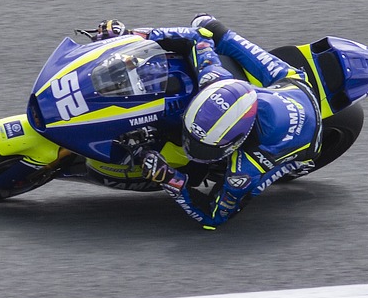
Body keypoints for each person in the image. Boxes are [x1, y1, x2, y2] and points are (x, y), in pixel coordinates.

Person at [97, 15, 323, 229]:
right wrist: (131, 35)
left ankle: (297, 164)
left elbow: (213, 217)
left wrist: (169, 178)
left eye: (201, 146)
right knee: (207, 23)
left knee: (268, 176)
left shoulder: (246, 168)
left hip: (305, 130)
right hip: (289, 86)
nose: (190, 147)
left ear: (236, 143)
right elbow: (198, 35)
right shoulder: (213, 77)